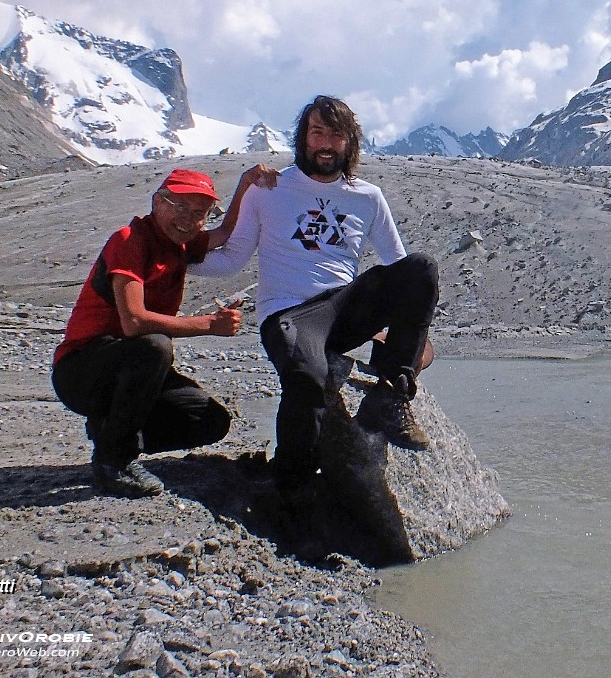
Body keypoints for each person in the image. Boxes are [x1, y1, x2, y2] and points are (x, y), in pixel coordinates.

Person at [189, 95, 439, 497]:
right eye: (316, 132)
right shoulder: (269, 189)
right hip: (290, 312)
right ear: (302, 138)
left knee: (422, 268)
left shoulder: (367, 197)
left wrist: (409, 341)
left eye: (335, 134)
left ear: (349, 142)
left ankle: (391, 397)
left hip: (343, 308)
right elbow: (231, 259)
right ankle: (294, 484)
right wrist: (172, 261)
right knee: (307, 378)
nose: (325, 143)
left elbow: (401, 269)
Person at [53, 164, 277, 498]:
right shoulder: (130, 241)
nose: (190, 220)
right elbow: (135, 322)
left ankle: (112, 432)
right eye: (181, 207)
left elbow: (225, 233)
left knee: (210, 421)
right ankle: (115, 461)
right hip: (82, 370)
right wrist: (208, 325)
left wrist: (245, 184)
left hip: (130, 368)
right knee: (155, 347)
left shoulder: (180, 244)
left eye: (199, 213)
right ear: (159, 202)